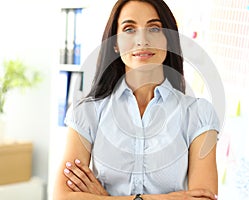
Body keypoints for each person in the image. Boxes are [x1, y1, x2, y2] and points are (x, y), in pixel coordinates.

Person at [53, 0, 220, 199]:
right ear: (115, 43)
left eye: (154, 28)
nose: (142, 40)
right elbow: (62, 196)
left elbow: (203, 197)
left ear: (169, 39)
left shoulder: (198, 114)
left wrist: (105, 197)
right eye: (129, 29)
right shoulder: (87, 112)